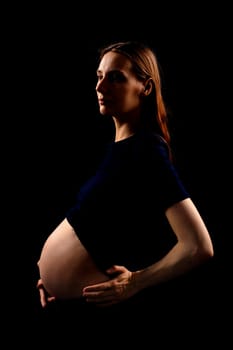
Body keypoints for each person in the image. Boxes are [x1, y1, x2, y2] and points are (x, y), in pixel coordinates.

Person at [36, 40, 214, 345]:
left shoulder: (145, 150)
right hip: (71, 305)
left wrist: (133, 282)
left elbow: (198, 246)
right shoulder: (122, 150)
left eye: (115, 76)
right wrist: (53, 279)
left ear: (144, 87)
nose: (100, 85)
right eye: (99, 75)